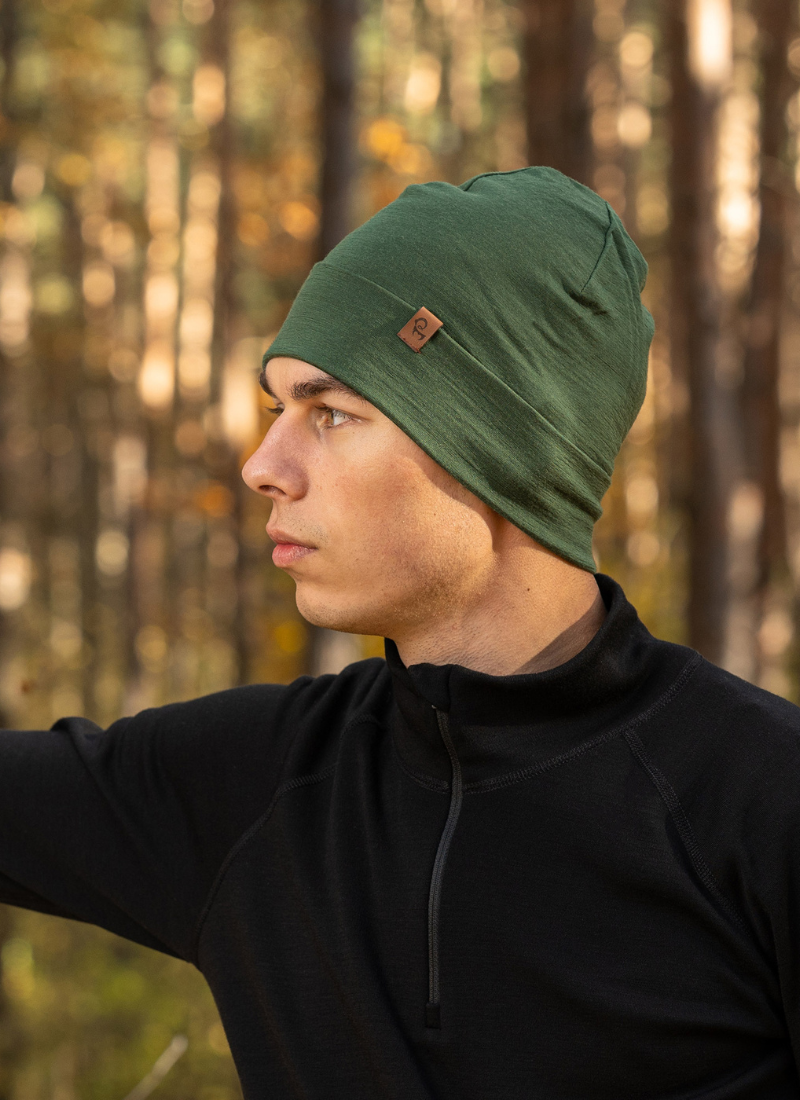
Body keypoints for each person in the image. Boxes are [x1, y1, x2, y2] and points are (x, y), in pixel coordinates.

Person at [1, 166, 799, 1100]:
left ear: (504, 450)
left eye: (331, 413)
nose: (264, 465)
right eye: (278, 409)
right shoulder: (253, 789)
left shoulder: (760, 802)